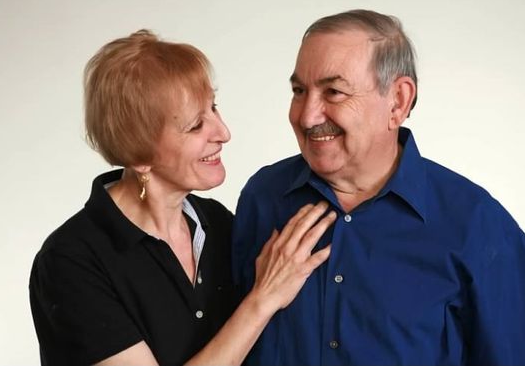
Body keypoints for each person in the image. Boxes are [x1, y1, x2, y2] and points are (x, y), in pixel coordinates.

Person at [232, 9, 525, 365]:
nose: (307, 116)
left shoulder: (477, 224)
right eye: (299, 91)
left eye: (334, 92)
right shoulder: (263, 197)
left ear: (398, 101)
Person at [29, 30, 337, 366]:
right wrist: (263, 299)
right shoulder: (71, 261)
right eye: (195, 126)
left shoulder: (217, 223)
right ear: (139, 154)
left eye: (214, 108)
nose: (223, 133)